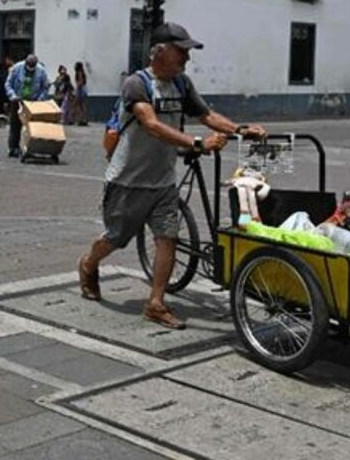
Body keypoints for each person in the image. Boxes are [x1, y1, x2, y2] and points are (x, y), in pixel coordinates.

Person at [76, 22, 265, 329]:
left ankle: (155, 303)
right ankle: (88, 263)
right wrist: (198, 143)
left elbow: (206, 115)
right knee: (115, 238)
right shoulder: (136, 84)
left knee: (168, 238)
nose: (187, 58)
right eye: (181, 51)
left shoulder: (182, 83)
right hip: (128, 180)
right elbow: (151, 125)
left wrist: (240, 130)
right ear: (159, 52)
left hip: (163, 181)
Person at [3, 53, 50, 159]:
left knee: (32, 127)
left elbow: (45, 87)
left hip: (33, 103)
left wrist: (40, 99)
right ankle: (13, 148)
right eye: (29, 66)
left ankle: (30, 147)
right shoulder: (17, 68)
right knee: (15, 126)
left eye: (33, 67)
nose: (31, 69)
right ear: (25, 63)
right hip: (17, 101)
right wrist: (13, 95)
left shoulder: (41, 71)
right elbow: (8, 84)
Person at [73, 61, 90, 126]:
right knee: (82, 105)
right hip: (83, 90)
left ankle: (81, 119)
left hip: (80, 90)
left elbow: (81, 81)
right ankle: (83, 119)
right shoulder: (82, 72)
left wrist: (77, 87)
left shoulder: (79, 72)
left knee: (79, 105)